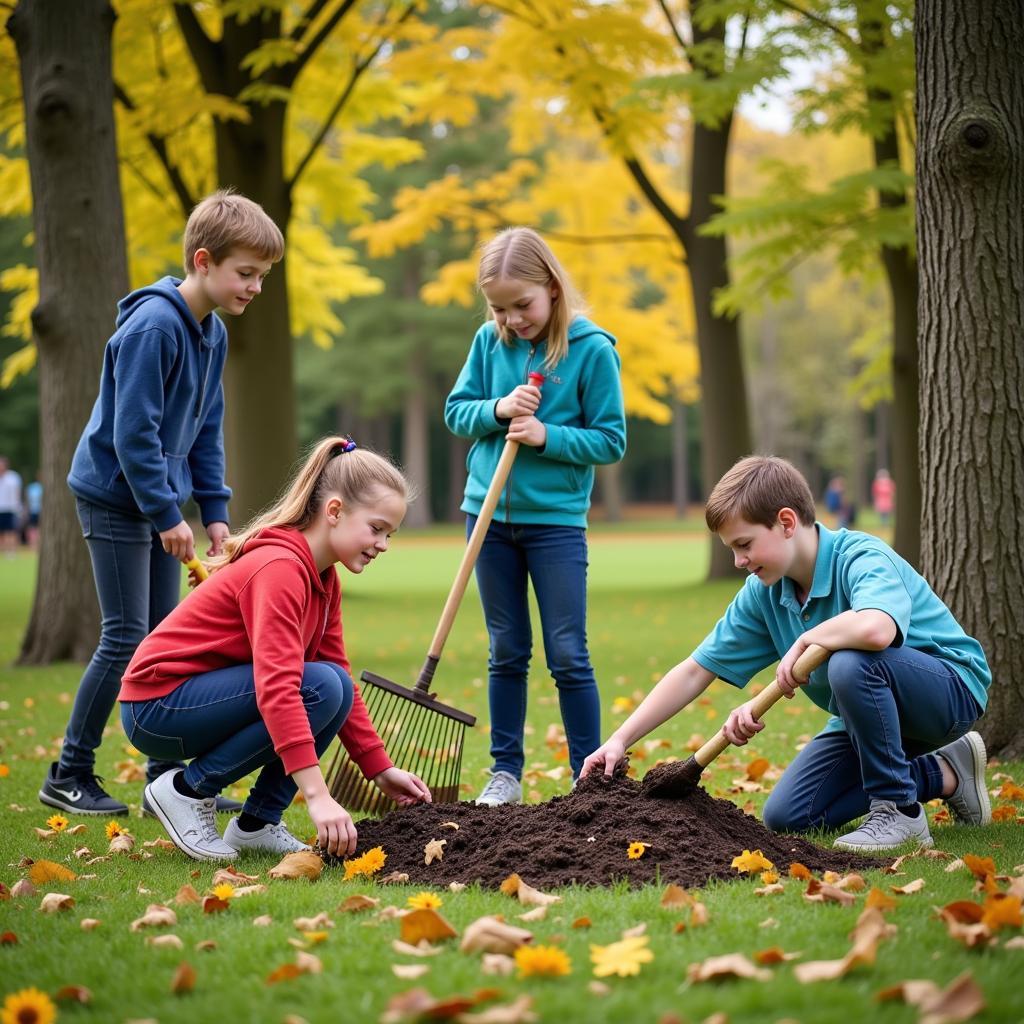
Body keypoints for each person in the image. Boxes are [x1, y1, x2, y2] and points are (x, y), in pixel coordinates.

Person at [582, 455, 992, 852]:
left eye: (744, 544)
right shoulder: (765, 594)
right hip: (867, 720)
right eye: (731, 549)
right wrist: (619, 740)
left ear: (786, 522)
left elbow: (877, 628)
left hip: (947, 695)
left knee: (849, 662)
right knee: (790, 813)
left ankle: (899, 813)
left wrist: (810, 638)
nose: (739, 560)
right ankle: (945, 773)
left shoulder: (861, 556)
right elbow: (694, 670)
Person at [39, 190, 284, 818]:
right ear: (204, 261)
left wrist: (216, 512)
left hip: (158, 503)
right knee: (126, 639)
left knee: (164, 641)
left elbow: (205, 429)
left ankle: (163, 780)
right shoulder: (153, 326)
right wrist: (166, 514)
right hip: (116, 498)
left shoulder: (213, 333)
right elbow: (132, 435)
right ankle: (70, 772)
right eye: (246, 273)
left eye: (263, 276)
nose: (255, 287)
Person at [119, 437, 431, 861]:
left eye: (390, 534)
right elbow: (278, 686)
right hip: (157, 705)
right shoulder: (280, 569)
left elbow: (336, 674)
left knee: (331, 682)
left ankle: (258, 824)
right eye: (376, 528)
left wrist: (379, 768)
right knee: (318, 684)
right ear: (335, 511)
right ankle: (186, 791)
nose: (383, 544)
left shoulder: (323, 578)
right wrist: (317, 796)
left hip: (200, 699)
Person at [445, 227, 626, 806]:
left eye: (522, 305)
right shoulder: (487, 342)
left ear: (551, 286)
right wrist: (497, 409)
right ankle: (505, 773)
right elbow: (456, 412)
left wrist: (547, 435)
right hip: (488, 516)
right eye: (499, 307)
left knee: (568, 651)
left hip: (556, 523)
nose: (513, 318)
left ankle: (588, 774)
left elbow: (610, 440)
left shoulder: (592, 350)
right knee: (507, 648)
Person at [0, 456, 22, 556]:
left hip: (10, 509)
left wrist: (17, 508)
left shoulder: (13, 477)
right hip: (1, 508)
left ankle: (11, 551)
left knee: (11, 531)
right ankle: (3, 551)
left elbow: (17, 494)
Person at [24, 473, 42, 549]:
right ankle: (32, 545)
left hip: (42, 511)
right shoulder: (32, 487)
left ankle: (40, 544)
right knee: (32, 528)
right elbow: (27, 500)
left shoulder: (46, 487)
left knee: (40, 528)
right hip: (33, 511)